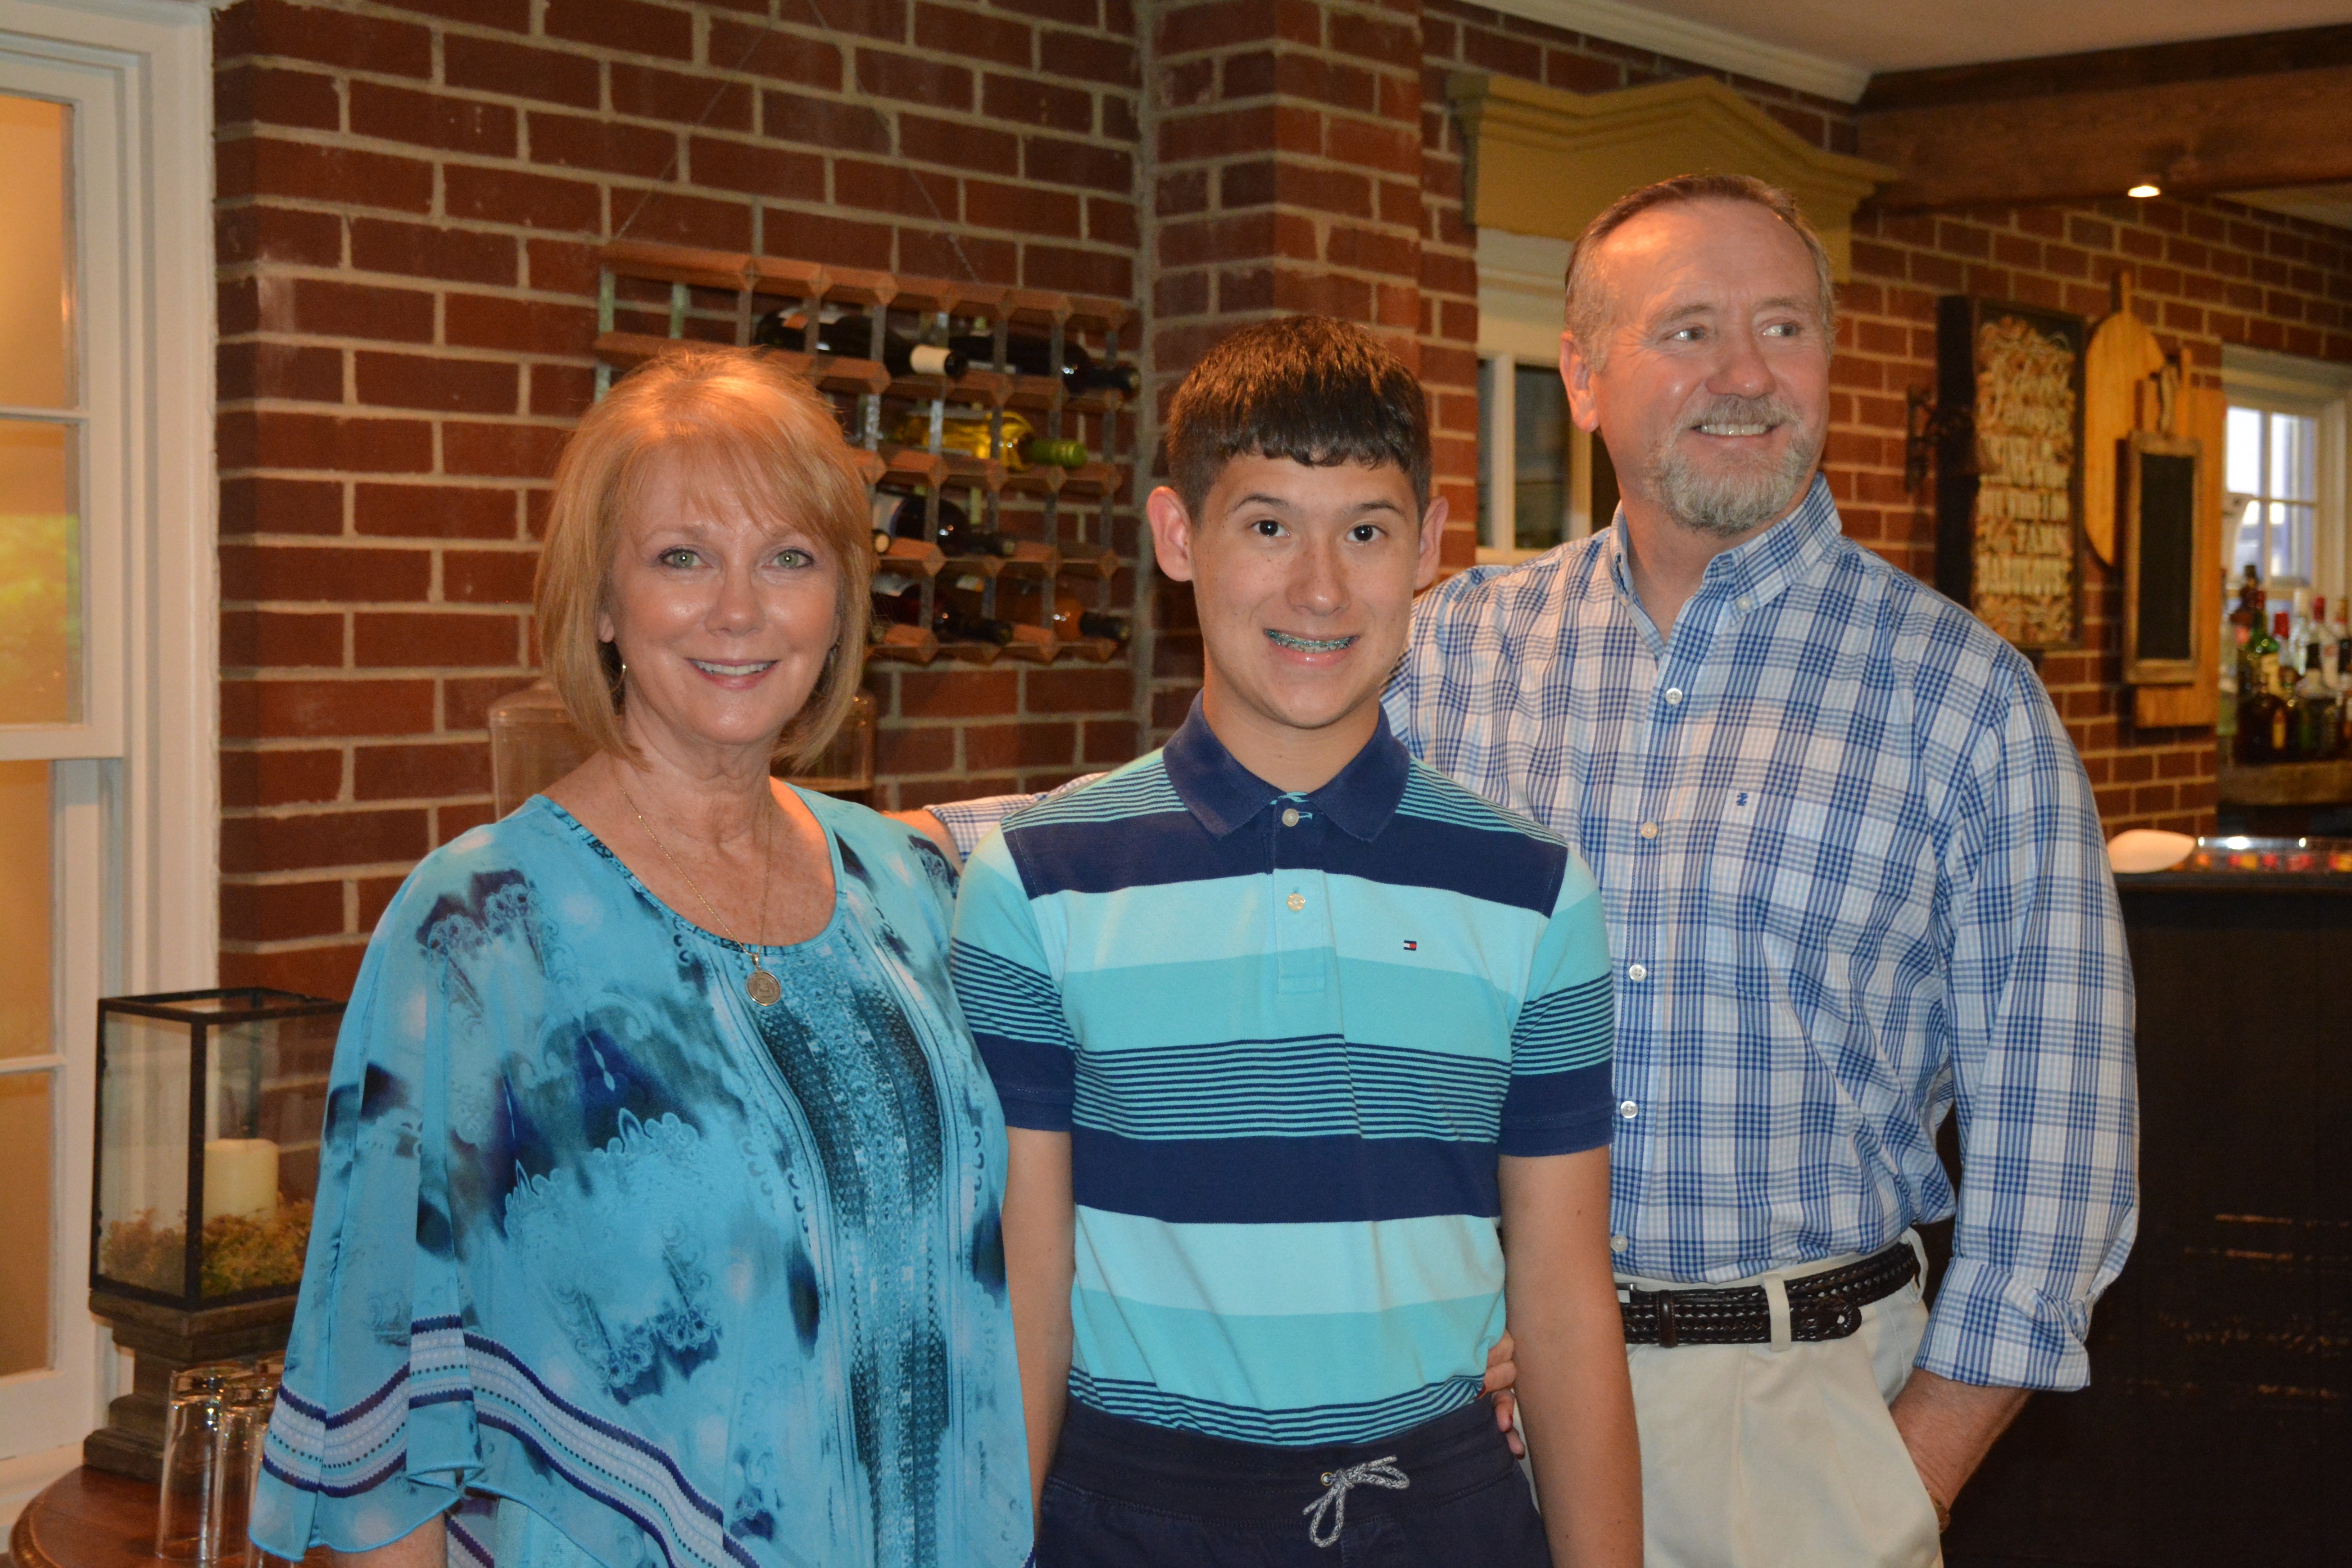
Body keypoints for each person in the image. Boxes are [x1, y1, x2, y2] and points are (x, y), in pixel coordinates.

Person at [916, 176, 2138, 1568]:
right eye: (1689, 329)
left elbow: (2062, 1164)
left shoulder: (1965, 701)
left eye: (1785, 326)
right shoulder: (1455, 641)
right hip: (1481, 1413)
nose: (1745, 373)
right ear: (1583, 376)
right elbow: (1218, 799)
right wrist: (846, 841)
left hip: (1800, 1420)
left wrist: (1897, 1483)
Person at [249, 346, 1032, 1568]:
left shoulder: (910, 888)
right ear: (602, 604)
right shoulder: (479, 932)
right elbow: (380, 1410)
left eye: (790, 557)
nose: (740, 610)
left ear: (840, 603)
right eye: (682, 558)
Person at [946, 317, 1642, 1568]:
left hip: (1442, 1512)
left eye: (1366, 532)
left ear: (1428, 547)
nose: (1320, 588)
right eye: (1268, 526)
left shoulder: (1535, 891)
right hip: (1127, 1515)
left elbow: (1564, 1294)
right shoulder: (1036, 884)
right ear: (1178, 537)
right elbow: (1025, 1303)